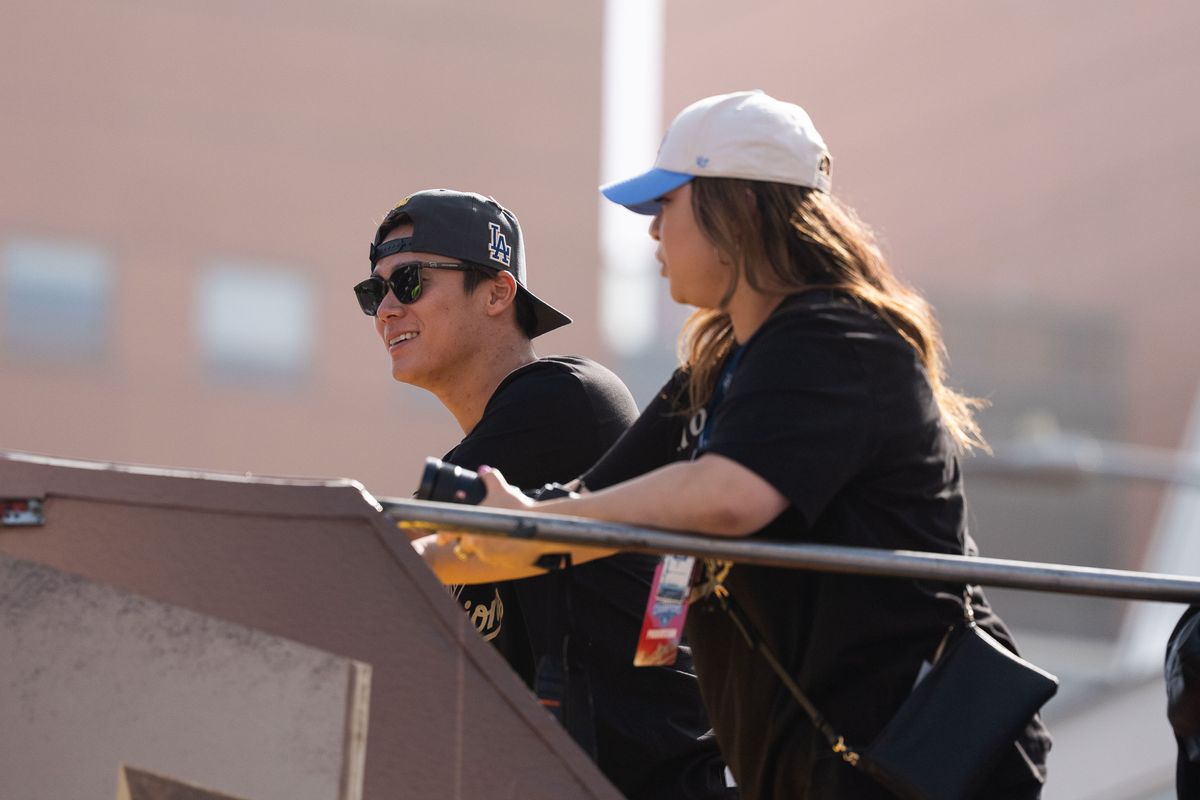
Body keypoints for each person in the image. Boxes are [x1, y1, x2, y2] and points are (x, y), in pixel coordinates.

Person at [449, 92, 1053, 798]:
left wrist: (533, 524)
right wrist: (449, 542)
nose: (651, 236)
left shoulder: (837, 341)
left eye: (663, 208)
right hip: (821, 770)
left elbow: (726, 496)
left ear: (731, 210)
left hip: (916, 768)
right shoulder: (722, 366)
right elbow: (591, 506)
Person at [356, 189, 733, 799]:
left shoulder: (567, 399)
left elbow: (380, 555)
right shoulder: (503, 440)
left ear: (498, 293)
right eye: (373, 293)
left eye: (410, 282)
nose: (386, 310)